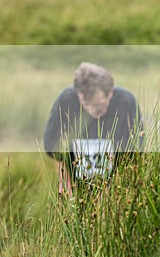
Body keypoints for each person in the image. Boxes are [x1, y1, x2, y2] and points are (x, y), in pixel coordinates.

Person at [44, 62, 142, 198]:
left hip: (117, 188)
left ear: (110, 93)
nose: (91, 110)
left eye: (97, 105)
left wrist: (117, 191)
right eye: (85, 105)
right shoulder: (65, 101)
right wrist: (66, 188)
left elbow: (136, 151)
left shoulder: (127, 103)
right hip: (75, 187)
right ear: (79, 94)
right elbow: (53, 148)